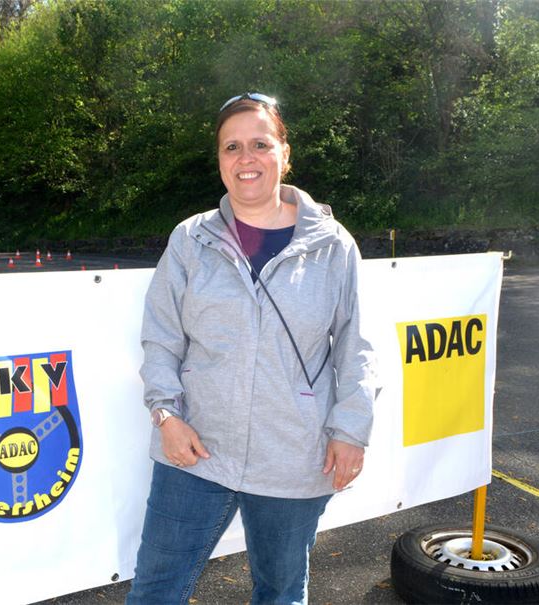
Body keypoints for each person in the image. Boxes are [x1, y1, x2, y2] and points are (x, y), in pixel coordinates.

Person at [127, 93, 377, 605]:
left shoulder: (334, 245)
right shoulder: (191, 239)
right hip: (194, 451)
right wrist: (166, 416)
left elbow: (358, 346)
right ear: (219, 160)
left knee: (281, 593)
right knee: (155, 592)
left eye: (260, 144)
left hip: (292, 457)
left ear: (285, 153)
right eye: (231, 147)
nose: (246, 158)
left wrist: (352, 430)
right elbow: (161, 336)